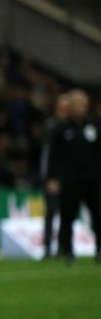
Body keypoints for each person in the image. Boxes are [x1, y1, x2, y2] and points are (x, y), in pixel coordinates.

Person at [45, 89, 101, 265]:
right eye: (77, 104)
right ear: (70, 107)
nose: (80, 107)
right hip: (70, 180)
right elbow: (53, 156)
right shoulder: (61, 129)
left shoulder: (94, 126)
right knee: (68, 216)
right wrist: (52, 178)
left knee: (97, 215)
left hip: (92, 179)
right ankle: (68, 251)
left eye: (83, 104)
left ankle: (99, 250)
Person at [39, 93, 70, 258]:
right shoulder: (51, 126)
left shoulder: (72, 126)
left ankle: (63, 247)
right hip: (54, 178)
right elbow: (47, 154)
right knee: (51, 212)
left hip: (69, 177)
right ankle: (47, 247)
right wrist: (49, 177)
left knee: (66, 213)